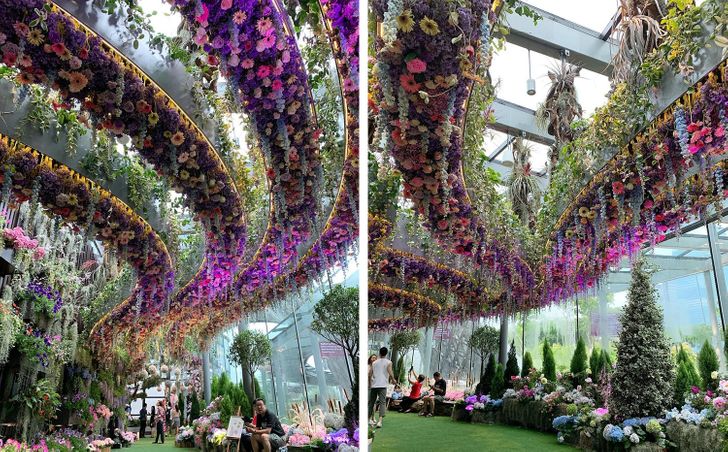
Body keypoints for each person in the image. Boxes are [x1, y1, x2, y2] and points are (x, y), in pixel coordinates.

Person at [368, 347, 394, 428]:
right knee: (382, 403)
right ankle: (379, 421)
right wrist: (393, 379)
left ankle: (368, 420)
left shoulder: (374, 363)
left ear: (379, 353)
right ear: (386, 353)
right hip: (382, 385)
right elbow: (390, 371)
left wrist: (369, 384)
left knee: (371, 403)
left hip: (374, 385)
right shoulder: (389, 362)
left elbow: (369, 374)